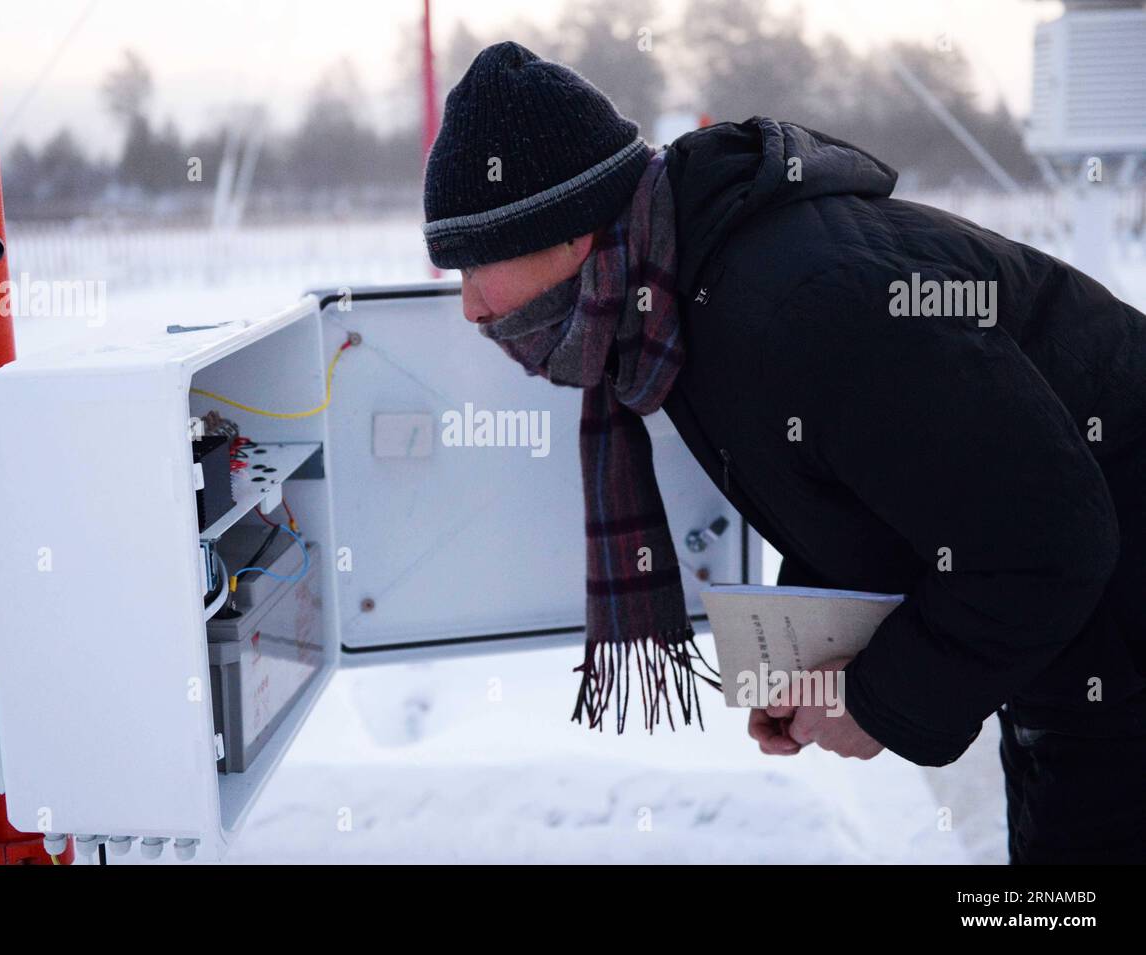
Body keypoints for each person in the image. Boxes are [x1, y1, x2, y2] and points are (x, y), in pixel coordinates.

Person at [421, 41, 1146, 864]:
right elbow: (871, 478)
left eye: (478, 265)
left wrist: (876, 700)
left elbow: (1047, 539)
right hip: (1079, 652)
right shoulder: (681, 294)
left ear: (575, 233)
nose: (473, 309)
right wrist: (813, 660)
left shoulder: (801, 307)